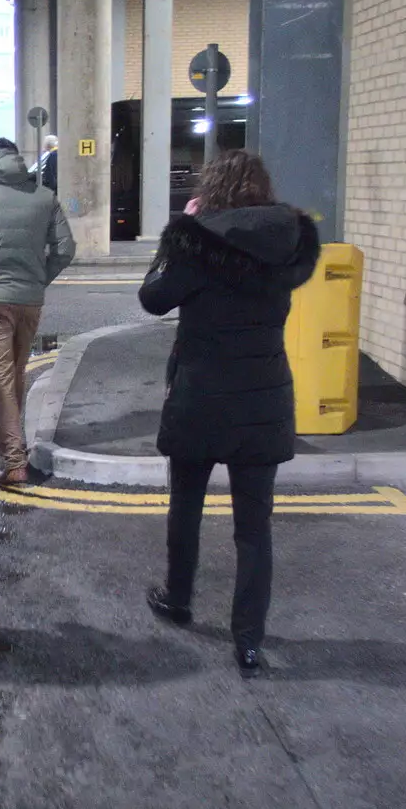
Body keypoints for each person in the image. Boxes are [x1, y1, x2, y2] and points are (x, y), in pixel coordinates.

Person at [137, 150, 320, 678]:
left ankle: (178, 598)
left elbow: (153, 298)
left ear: (211, 188)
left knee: (186, 506)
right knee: (254, 526)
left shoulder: (199, 241)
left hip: (201, 393)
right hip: (264, 396)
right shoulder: (288, 238)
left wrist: (179, 234)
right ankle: (248, 641)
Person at [0, 137, 75, 485]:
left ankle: (14, 460)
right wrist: (39, 279)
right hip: (29, 300)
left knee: (3, 378)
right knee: (16, 373)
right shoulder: (44, 197)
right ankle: (11, 448)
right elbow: (65, 249)